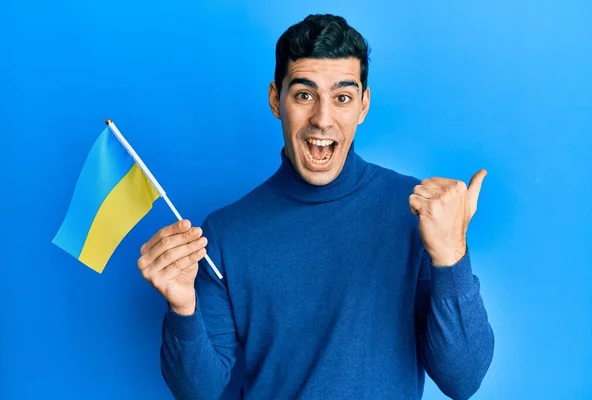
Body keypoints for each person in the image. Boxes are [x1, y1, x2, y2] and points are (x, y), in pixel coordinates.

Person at [137, 13, 495, 400]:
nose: (322, 119)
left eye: (342, 97)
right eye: (304, 95)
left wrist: (451, 256)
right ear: (277, 100)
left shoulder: (415, 213)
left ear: (363, 105)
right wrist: (183, 309)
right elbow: (198, 391)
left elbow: (462, 380)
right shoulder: (225, 233)